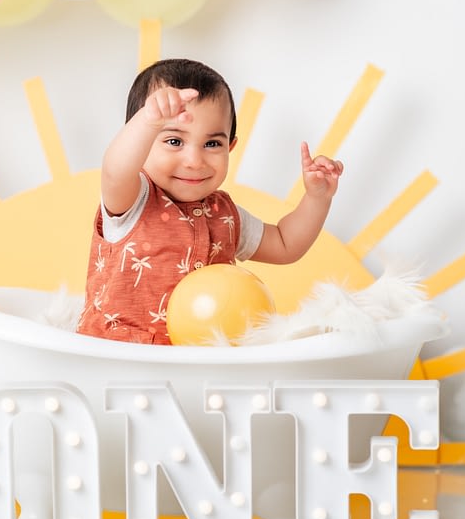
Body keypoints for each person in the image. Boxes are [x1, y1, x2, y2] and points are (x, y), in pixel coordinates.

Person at [77, 58, 343, 345]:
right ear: (141, 139)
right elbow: (115, 170)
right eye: (174, 141)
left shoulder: (225, 215)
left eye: (212, 144)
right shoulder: (134, 198)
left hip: (200, 363)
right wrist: (147, 121)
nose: (194, 161)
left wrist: (317, 197)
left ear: (230, 147)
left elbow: (285, 244)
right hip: (118, 355)